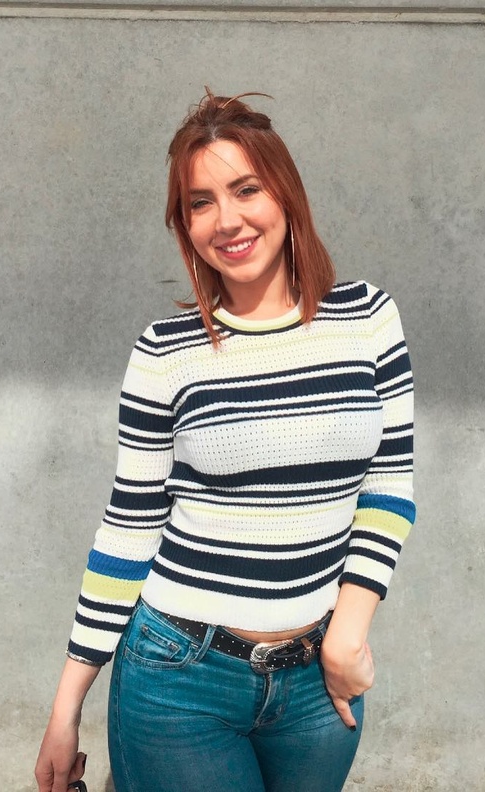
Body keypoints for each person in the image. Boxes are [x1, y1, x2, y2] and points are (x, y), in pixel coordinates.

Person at [35, 90, 415, 792]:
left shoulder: (367, 318)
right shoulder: (165, 352)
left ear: (286, 193)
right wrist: (66, 708)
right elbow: (129, 528)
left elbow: (389, 488)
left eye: (246, 189)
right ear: (185, 225)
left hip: (318, 682)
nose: (228, 220)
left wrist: (348, 631)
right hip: (180, 677)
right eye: (201, 203)